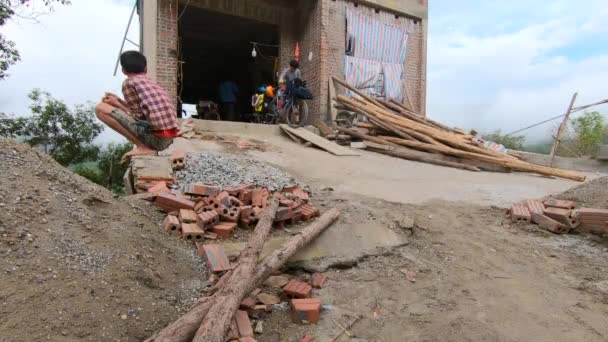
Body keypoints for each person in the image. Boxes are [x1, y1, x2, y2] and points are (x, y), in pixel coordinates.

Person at [95, 51, 178, 161]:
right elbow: (143, 112)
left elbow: (137, 117)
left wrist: (117, 104)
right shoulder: (150, 82)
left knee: (100, 108)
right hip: (169, 136)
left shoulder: (129, 83)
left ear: (123, 70)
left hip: (158, 141)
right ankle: (144, 146)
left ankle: (143, 147)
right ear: (145, 69)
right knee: (108, 108)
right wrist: (118, 101)